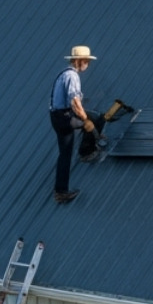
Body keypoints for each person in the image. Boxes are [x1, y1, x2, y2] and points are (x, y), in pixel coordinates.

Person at [49, 45, 106, 204]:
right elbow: (75, 102)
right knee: (96, 119)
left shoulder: (64, 74)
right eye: (87, 61)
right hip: (66, 117)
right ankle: (87, 152)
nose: (88, 64)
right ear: (80, 61)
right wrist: (86, 120)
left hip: (56, 117)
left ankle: (60, 192)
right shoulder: (73, 77)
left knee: (65, 155)